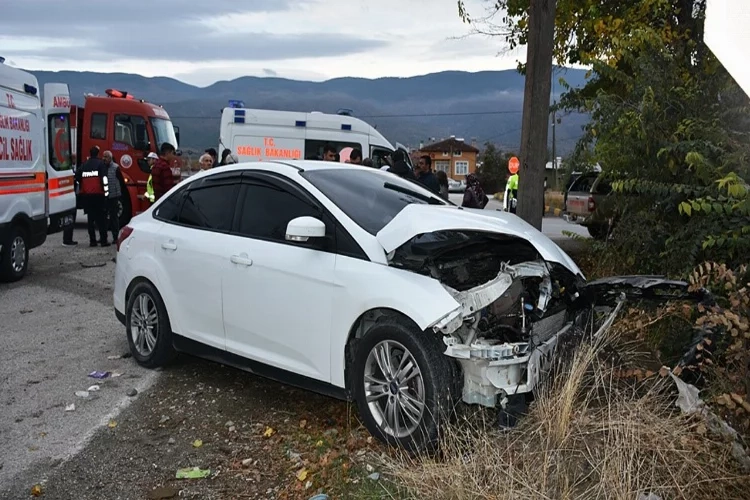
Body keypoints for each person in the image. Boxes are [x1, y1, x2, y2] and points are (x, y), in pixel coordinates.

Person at [76, 146, 110, 246]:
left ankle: (92, 241)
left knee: (90, 220)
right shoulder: (101, 164)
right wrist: (106, 194)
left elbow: (77, 175)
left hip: (87, 196)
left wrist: (84, 185)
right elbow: (104, 179)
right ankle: (103, 241)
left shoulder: (84, 164)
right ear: (98, 153)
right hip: (99, 195)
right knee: (101, 220)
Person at [102, 150, 125, 243]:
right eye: (103, 156)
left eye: (106, 157)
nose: (104, 159)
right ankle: (104, 237)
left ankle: (115, 237)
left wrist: (120, 194)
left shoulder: (116, 168)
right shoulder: (102, 167)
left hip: (114, 196)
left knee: (114, 217)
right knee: (103, 217)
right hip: (104, 196)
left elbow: (121, 182)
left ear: (110, 158)